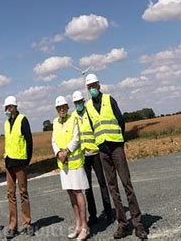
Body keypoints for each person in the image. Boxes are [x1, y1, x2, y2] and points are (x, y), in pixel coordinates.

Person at [84, 74, 148, 240]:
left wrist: (118, 140)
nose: (92, 88)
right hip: (103, 150)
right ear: (87, 89)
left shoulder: (109, 100)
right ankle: (122, 223)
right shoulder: (88, 107)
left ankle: (138, 223)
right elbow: (93, 127)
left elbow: (120, 121)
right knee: (112, 187)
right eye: (89, 86)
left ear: (99, 85)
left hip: (116, 147)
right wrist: (100, 144)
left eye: (94, 85)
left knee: (126, 183)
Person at [72, 89, 112, 228]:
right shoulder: (73, 117)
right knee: (87, 187)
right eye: (76, 103)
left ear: (83, 101)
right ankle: (93, 215)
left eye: (79, 102)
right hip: (84, 155)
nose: (78, 104)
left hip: (95, 152)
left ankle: (108, 212)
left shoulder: (89, 111)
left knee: (102, 183)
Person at [51, 96, 89, 241]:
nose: (61, 109)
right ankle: (78, 225)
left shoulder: (73, 119)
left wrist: (66, 151)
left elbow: (76, 138)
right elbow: (54, 140)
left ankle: (85, 227)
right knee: (70, 194)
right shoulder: (55, 122)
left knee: (78, 192)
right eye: (59, 107)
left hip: (75, 163)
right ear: (56, 109)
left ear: (67, 107)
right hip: (64, 165)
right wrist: (58, 153)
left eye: (63, 107)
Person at [3, 95, 35, 238]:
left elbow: (29, 140)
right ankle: (12, 225)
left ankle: (27, 224)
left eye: (9, 107)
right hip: (9, 163)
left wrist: (27, 160)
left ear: (15, 107)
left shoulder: (23, 120)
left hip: (20, 162)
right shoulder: (6, 123)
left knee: (23, 193)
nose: (8, 109)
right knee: (10, 194)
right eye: (6, 107)